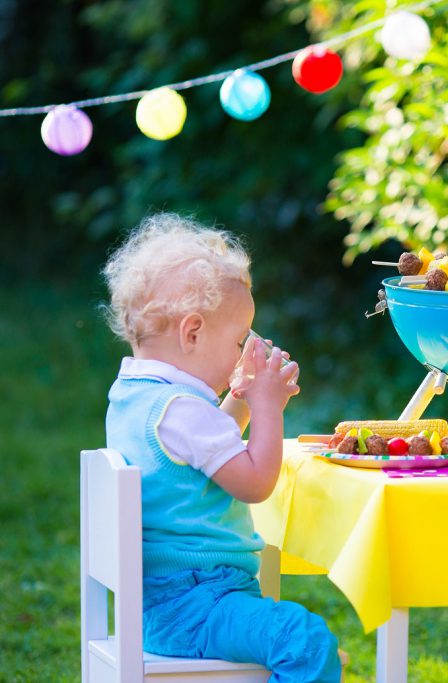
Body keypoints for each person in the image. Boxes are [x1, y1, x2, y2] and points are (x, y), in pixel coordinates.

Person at [102, 213, 342, 682]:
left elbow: (209, 455)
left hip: (163, 603)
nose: (242, 352)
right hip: (200, 603)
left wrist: (241, 396)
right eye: (238, 342)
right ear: (192, 333)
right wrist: (268, 405)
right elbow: (252, 482)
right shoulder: (181, 410)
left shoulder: (137, 397)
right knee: (307, 641)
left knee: (295, 643)